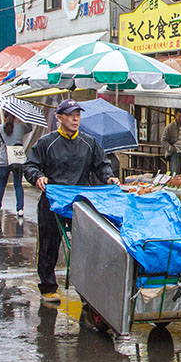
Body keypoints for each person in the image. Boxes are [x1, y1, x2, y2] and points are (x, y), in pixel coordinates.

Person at [23, 99, 120, 302]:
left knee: (86, 245)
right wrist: (37, 176)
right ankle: (48, 287)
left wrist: (109, 177)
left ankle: (87, 289)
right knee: (48, 245)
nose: (75, 118)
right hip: (52, 202)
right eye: (70, 114)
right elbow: (31, 166)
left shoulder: (89, 142)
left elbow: (102, 165)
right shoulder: (46, 142)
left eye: (78, 114)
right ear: (59, 118)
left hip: (79, 202)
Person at [0, 111, 33, 218]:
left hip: (4, 159)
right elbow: (30, 128)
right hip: (17, 159)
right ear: (16, 116)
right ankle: (20, 209)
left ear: (5, 117)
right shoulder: (20, 127)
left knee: (1, 184)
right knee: (18, 184)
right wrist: (23, 119)